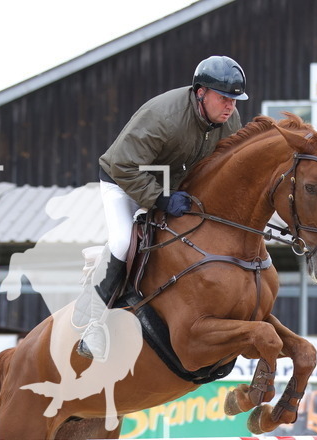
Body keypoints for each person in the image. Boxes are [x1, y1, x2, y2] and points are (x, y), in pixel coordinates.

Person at [73, 55, 249, 361]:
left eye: (234, 100)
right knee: (122, 241)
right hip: (124, 181)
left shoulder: (229, 121)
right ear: (201, 93)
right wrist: (161, 199)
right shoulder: (164, 116)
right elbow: (124, 166)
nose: (230, 106)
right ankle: (93, 324)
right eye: (224, 98)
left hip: (172, 185)